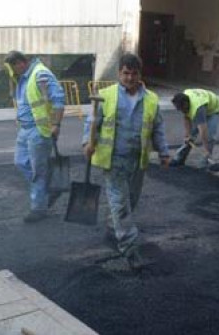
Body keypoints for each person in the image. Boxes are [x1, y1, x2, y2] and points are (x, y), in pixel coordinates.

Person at [82, 54, 170, 263]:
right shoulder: (106, 95)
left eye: (134, 73)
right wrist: (87, 141)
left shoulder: (151, 99)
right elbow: (92, 122)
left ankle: (114, 227)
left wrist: (164, 152)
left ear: (140, 74)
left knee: (130, 200)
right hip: (113, 160)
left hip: (138, 160)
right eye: (125, 73)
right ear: (119, 73)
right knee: (120, 202)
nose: (129, 78)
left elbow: (157, 128)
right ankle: (129, 247)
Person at [4, 51, 66, 223]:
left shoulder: (40, 74)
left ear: (20, 63)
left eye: (13, 68)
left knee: (38, 171)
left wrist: (56, 124)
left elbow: (59, 99)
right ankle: (49, 187)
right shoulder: (24, 77)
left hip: (38, 130)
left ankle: (38, 208)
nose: (12, 72)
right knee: (20, 162)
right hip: (25, 130)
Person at [169, 88, 219, 168]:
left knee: (210, 136)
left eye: (181, 108)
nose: (180, 110)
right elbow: (186, 117)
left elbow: (203, 130)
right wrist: (188, 135)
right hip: (203, 102)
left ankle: (205, 161)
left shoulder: (198, 108)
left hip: (213, 109)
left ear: (186, 104)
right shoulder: (184, 99)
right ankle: (179, 158)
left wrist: (205, 149)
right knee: (190, 138)